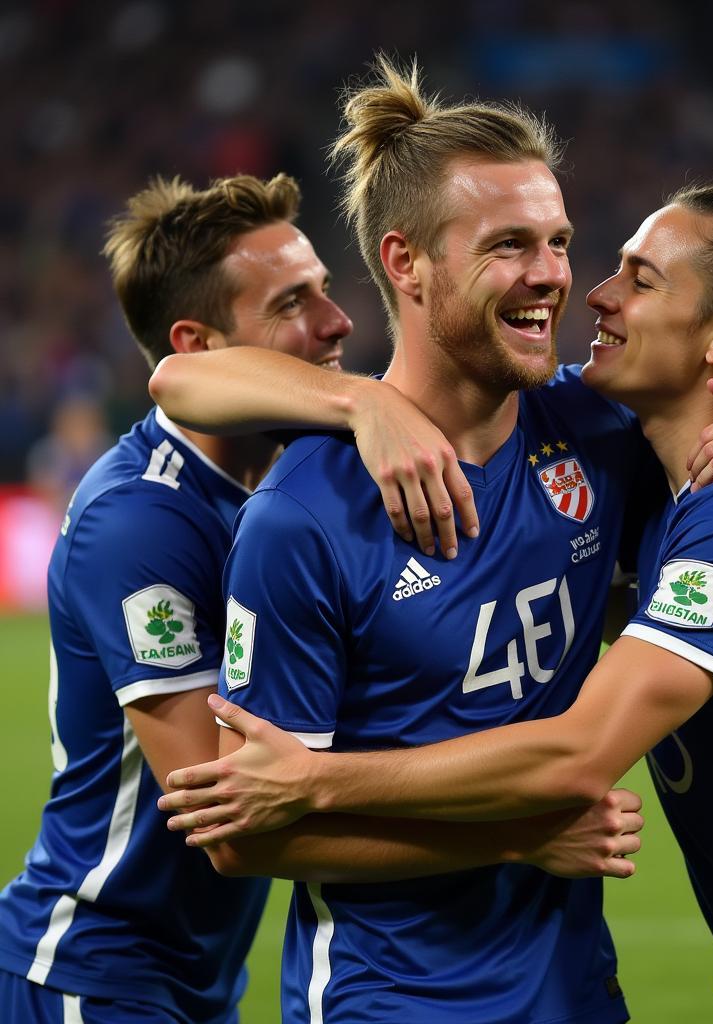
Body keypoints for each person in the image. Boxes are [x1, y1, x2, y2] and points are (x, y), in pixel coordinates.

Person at [165, 156, 713, 1022]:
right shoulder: (624, 459)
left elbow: (577, 755)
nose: (594, 293)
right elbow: (178, 382)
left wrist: (316, 781)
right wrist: (359, 401)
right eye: (524, 245)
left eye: (633, 277)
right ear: (405, 262)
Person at [0, 170, 510, 1024]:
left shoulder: (286, 480)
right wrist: (515, 830)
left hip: (194, 981)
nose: (338, 320)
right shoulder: (141, 521)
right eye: (291, 303)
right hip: (93, 970)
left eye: (323, 288)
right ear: (198, 345)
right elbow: (229, 809)